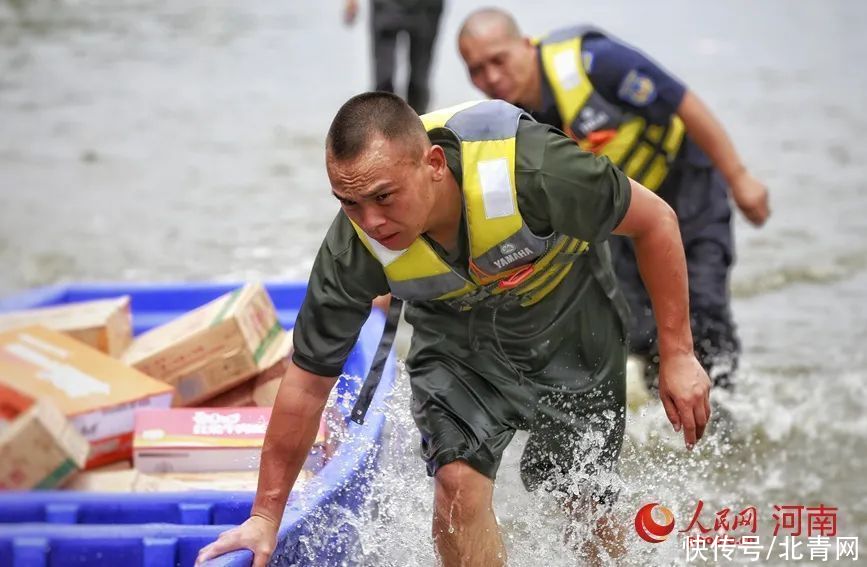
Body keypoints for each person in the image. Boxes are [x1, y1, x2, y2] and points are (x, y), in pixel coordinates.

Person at [195, 93, 711, 567]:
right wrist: (265, 517)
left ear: (434, 166)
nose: (371, 221)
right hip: (457, 337)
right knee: (456, 484)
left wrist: (678, 353)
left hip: (570, 321)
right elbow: (307, 383)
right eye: (350, 203)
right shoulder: (353, 248)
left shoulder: (529, 166)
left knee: (577, 495)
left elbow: (656, 221)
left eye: (384, 196)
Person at [458, 9, 770, 391]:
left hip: (686, 188)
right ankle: (671, 414)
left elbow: (683, 102)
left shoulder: (594, 62)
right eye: (476, 70)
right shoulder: (510, 127)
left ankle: (725, 409)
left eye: (498, 60)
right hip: (622, 220)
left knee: (704, 314)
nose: (490, 77)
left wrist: (738, 177)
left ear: (525, 45)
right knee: (640, 330)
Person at [344, 0, 445, 113]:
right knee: (383, 83)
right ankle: (383, 126)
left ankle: (418, 124)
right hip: (387, 5)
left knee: (419, 83)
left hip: (426, 7)